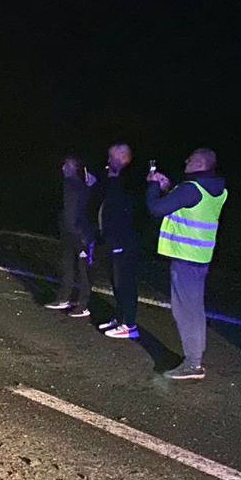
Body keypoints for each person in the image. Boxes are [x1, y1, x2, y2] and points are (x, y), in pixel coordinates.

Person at [146, 147, 228, 380]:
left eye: (190, 159)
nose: (186, 161)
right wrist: (168, 188)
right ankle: (195, 358)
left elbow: (156, 208)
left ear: (200, 164)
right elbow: (186, 204)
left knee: (184, 311)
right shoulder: (217, 189)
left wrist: (153, 186)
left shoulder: (191, 189)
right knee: (195, 310)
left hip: (185, 257)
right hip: (201, 257)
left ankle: (193, 364)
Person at [93, 143, 142, 339]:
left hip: (125, 240)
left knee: (125, 282)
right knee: (116, 281)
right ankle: (120, 317)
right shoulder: (114, 179)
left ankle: (129, 324)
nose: (108, 161)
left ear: (123, 158)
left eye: (112, 157)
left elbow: (123, 209)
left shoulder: (129, 180)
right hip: (113, 239)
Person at [44, 156, 96, 317]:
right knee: (67, 265)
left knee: (83, 270)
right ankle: (63, 298)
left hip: (80, 234)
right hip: (68, 232)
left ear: (74, 168)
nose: (63, 168)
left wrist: (82, 236)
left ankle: (83, 305)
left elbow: (85, 210)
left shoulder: (79, 186)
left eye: (67, 165)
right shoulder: (70, 185)